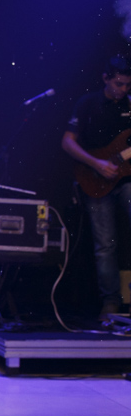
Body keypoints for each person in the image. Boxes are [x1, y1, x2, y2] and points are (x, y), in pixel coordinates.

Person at [60, 55, 131, 319]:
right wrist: (97, 164)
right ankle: (110, 302)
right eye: (119, 84)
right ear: (105, 79)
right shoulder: (88, 103)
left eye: (128, 85)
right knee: (105, 244)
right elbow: (68, 142)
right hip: (95, 179)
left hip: (127, 179)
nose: (123, 89)